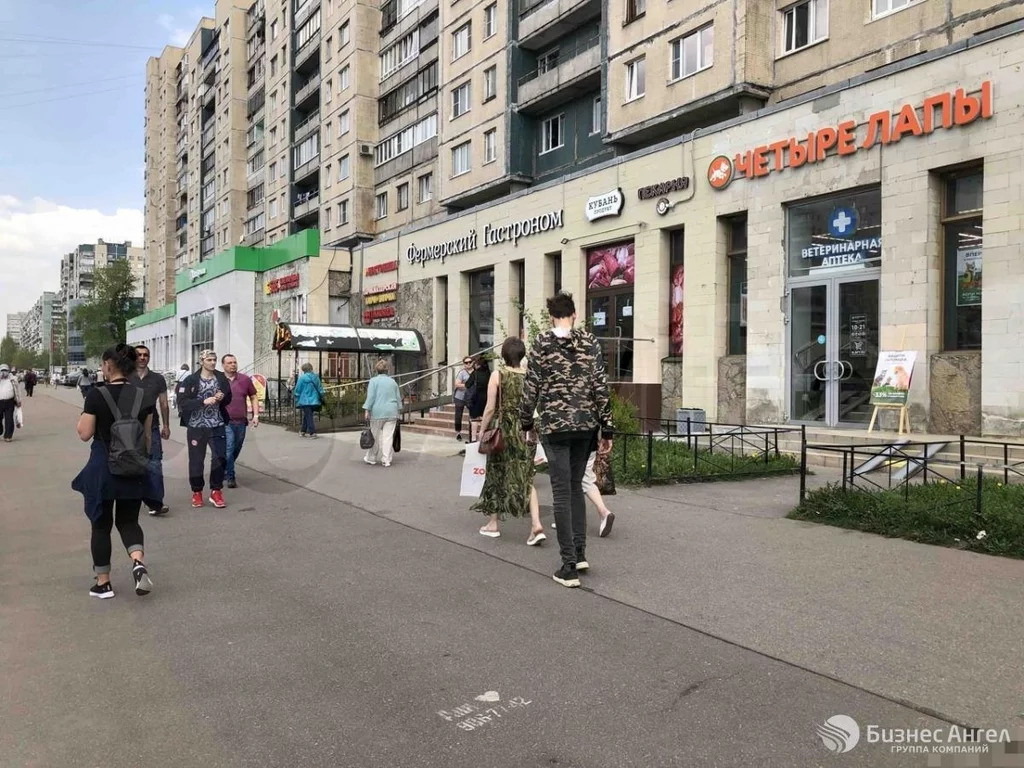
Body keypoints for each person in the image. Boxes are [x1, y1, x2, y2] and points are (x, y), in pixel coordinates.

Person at [521, 293, 613, 588]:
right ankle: (580, 554)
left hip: (555, 426)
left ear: (551, 317)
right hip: (586, 426)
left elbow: (531, 385)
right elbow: (600, 385)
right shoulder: (589, 341)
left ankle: (568, 566)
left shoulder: (542, 342)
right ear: (574, 314)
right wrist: (607, 428)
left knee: (561, 492)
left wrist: (526, 422)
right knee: (575, 487)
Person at [71, 344, 155, 599]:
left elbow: (84, 434)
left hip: (104, 469)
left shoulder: (96, 395)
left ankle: (103, 583)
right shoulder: (143, 396)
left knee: (101, 525)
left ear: (108, 365)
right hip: (133, 468)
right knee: (129, 521)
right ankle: (138, 562)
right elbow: (147, 438)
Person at [473, 338, 545, 546]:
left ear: (503, 354)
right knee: (526, 475)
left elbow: (490, 408)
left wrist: (482, 430)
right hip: (527, 429)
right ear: (522, 355)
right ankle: (536, 524)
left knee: (496, 473)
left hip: (505, 429)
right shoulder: (530, 377)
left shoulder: (498, 375)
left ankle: (493, 524)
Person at [176, 349, 232, 508]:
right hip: (197, 426)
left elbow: (229, 397)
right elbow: (182, 402)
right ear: (201, 361)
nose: (213, 363)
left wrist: (222, 397)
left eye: (214, 360)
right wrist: (202, 402)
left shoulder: (220, 377)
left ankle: (216, 491)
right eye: (209, 360)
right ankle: (197, 492)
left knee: (220, 457)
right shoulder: (191, 380)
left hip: (217, 424)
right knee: (196, 460)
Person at [130, 345, 170, 516]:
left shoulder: (157, 379)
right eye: (139, 355)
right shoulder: (125, 376)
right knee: (130, 462)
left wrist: (166, 425)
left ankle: (156, 502)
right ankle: (130, 498)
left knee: (154, 463)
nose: (142, 357)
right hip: (129, 427)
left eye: (145, 355)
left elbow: (164, 403)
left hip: (151, 426)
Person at [547, 450, 615, 537]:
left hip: (570, 446)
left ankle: (603, 512)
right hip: (589, 445)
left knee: (571, 478)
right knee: (586, 478)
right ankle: (568, 518)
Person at [222, 353, 259, 487]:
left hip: (241, 421)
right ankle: (230, 477)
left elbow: (253, 396)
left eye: (234, 362)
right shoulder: (218, 380)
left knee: (237, 447)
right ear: (223, 365)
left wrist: (255, 415)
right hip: (225, 421)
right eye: (229, 363)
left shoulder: (245, 379)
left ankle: (225, 468)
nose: (233, 365)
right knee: (229, 447)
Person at [362, 359, 402, 467]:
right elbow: (398, 398)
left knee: (374, 436)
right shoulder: (393, 382)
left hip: (377, 412)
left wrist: (367, 409)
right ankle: (386, 459)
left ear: (376, 370)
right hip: (392, 411)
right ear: (387, 370)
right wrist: (399, 410)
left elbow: (371, 397)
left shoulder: (373, 381)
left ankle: (371, 458)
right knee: (388, 437)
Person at [293, 362, 326, 439]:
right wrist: (322, 396)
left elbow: (297, 390)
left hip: (305, 401)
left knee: (309, 416)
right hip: (315, 401)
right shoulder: (316, 377)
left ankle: (312, 433)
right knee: (307, 415)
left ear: (304, 370)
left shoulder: (302, 378)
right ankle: (302, 431)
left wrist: (296, 398)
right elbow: (320, 388)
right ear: (311, 368)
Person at [466, 356, 491, 442]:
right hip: (487, 398)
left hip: (475, 399)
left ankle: (473, 439)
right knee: (485, 417)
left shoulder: (475, 373)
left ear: (478, 364)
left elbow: (467, 384)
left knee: (474, 419)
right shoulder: (489, 374)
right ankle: (485, 437)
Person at [452, 356, 475, 442]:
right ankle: (458, 432)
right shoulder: (462, 373)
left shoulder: (476, 372)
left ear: (472, 362)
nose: (468, 364)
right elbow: (457, 384)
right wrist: (467, 385)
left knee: (473, 415)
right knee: (458, 415)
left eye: (470, 362)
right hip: (460, 396)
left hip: (471, 396)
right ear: (464, 364)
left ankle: (472, 434)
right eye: (466, 362)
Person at [0, 363, 22, 442]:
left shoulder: (13, 379)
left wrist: (19, 400)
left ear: (8, 371)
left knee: (9, 419)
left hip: (9, 402)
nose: (3, 372)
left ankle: (8, 436)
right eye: (2, 370)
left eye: (5, 370)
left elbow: (18, 390)